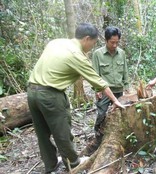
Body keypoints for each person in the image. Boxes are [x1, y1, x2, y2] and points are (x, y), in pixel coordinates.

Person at [27, 23, 124, 173]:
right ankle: (73, 164)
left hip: (32, 92)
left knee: (42, 133)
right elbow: (98, 81)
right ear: (86, 39)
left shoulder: (57, 42)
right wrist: (116, 101)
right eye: (93, 42)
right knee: (62, 132)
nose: (92, 46)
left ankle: (51, 166)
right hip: (50, 95)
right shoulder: (77, 56)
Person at [91, 26, 129, 133]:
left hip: (118, 89)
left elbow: (125, 71)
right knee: (101, 113)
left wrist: (127, 87)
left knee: (120, 112)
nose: (115, 45)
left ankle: (117, 133)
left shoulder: (121, 53)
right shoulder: (98, 54)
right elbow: (94, 74)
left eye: (117, 42)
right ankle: (98, 132)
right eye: (112, 42)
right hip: (104, 90)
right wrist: (97, 89)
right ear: (106, 40)